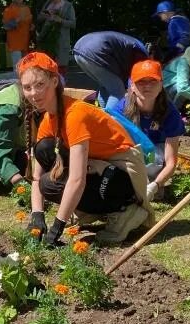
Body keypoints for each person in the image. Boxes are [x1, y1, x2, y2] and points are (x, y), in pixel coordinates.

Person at [18, 51, 151, 246]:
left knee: (54, 183)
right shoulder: (49, 118)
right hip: (101, 167)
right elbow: (37, 176)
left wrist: (57, 226)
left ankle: (126, 211)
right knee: (44, 153)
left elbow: (77, 179)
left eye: (40, 85)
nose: (33, 93)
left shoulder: (75, 114)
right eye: (27, 87)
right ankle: (92, 209)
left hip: (124, 173)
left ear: (54, 81)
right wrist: (37, 215)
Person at [106, 60, 186, 201]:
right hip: (131, 150)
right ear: (132, 86)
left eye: (153, 81)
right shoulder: (121, 110)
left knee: (152, 160)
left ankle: (150, 184)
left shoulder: (170, 113)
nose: (147, 86)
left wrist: (155, 185)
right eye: (141, 81)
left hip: (155, 153)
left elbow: (171, 161)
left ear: (161, 85)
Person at [71, 31, 149, 108]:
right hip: (96, 52)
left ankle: (103, 115)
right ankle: (111, 119)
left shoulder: (134, 44)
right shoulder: (142, 53)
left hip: (79, 50)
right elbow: (136, 76)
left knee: (105, 87)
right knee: (117, 91)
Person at [36, 0, 77, 68]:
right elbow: (39, 18)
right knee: (47, 68)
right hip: (47, 42)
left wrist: (61, 20)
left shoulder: (68, 6)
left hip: (61, 43)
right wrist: (45, 16)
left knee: (60, 69)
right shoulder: (48, 3)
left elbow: (73, 24)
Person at [2, 0, 33, 66]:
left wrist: (32, 26)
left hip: (26, 44)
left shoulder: (27, 9)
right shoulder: (8, 10)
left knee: (26, 69)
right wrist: (17, 20)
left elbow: (29, 25)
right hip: (15, 44)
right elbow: (6, 26)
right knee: (17, 69)